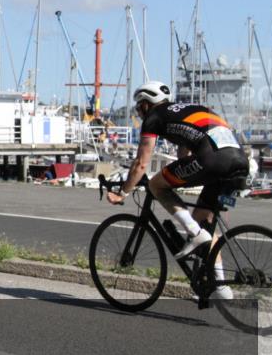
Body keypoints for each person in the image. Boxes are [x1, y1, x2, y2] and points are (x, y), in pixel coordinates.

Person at [106, 81, 249, 299]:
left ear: (147, 104)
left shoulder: (154, 117)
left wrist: (123, 192)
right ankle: (220, 288)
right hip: (240, 162)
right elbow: (185, 152)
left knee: (155, 184)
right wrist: (180, 176)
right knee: (205, 221)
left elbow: (141, 163)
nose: (138, 111)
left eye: (138, 106)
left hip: (213, 161)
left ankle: (194, 233)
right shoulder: (187, 110)